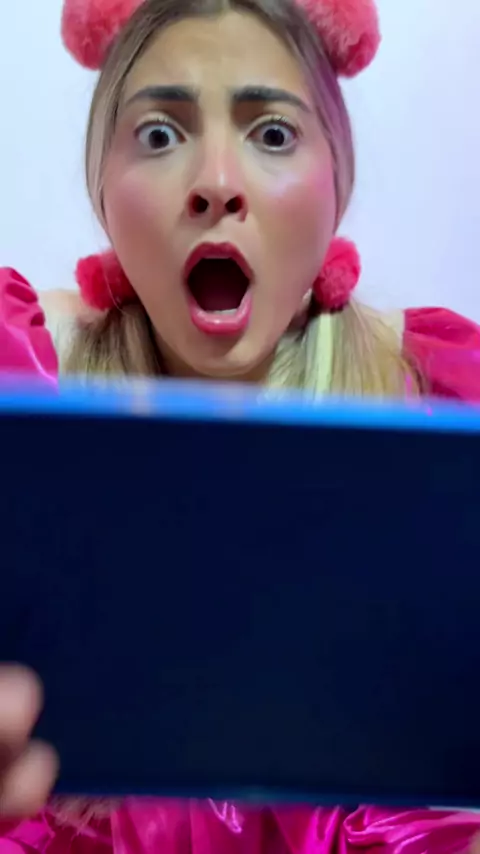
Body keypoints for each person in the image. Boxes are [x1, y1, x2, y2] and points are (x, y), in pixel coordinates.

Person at [1, 0, 480, 850]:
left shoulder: (444, 398)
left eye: (273, 133)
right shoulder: (20, 379)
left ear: (337, 184)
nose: (216, 181)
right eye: (159, 134)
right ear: (102, 190)